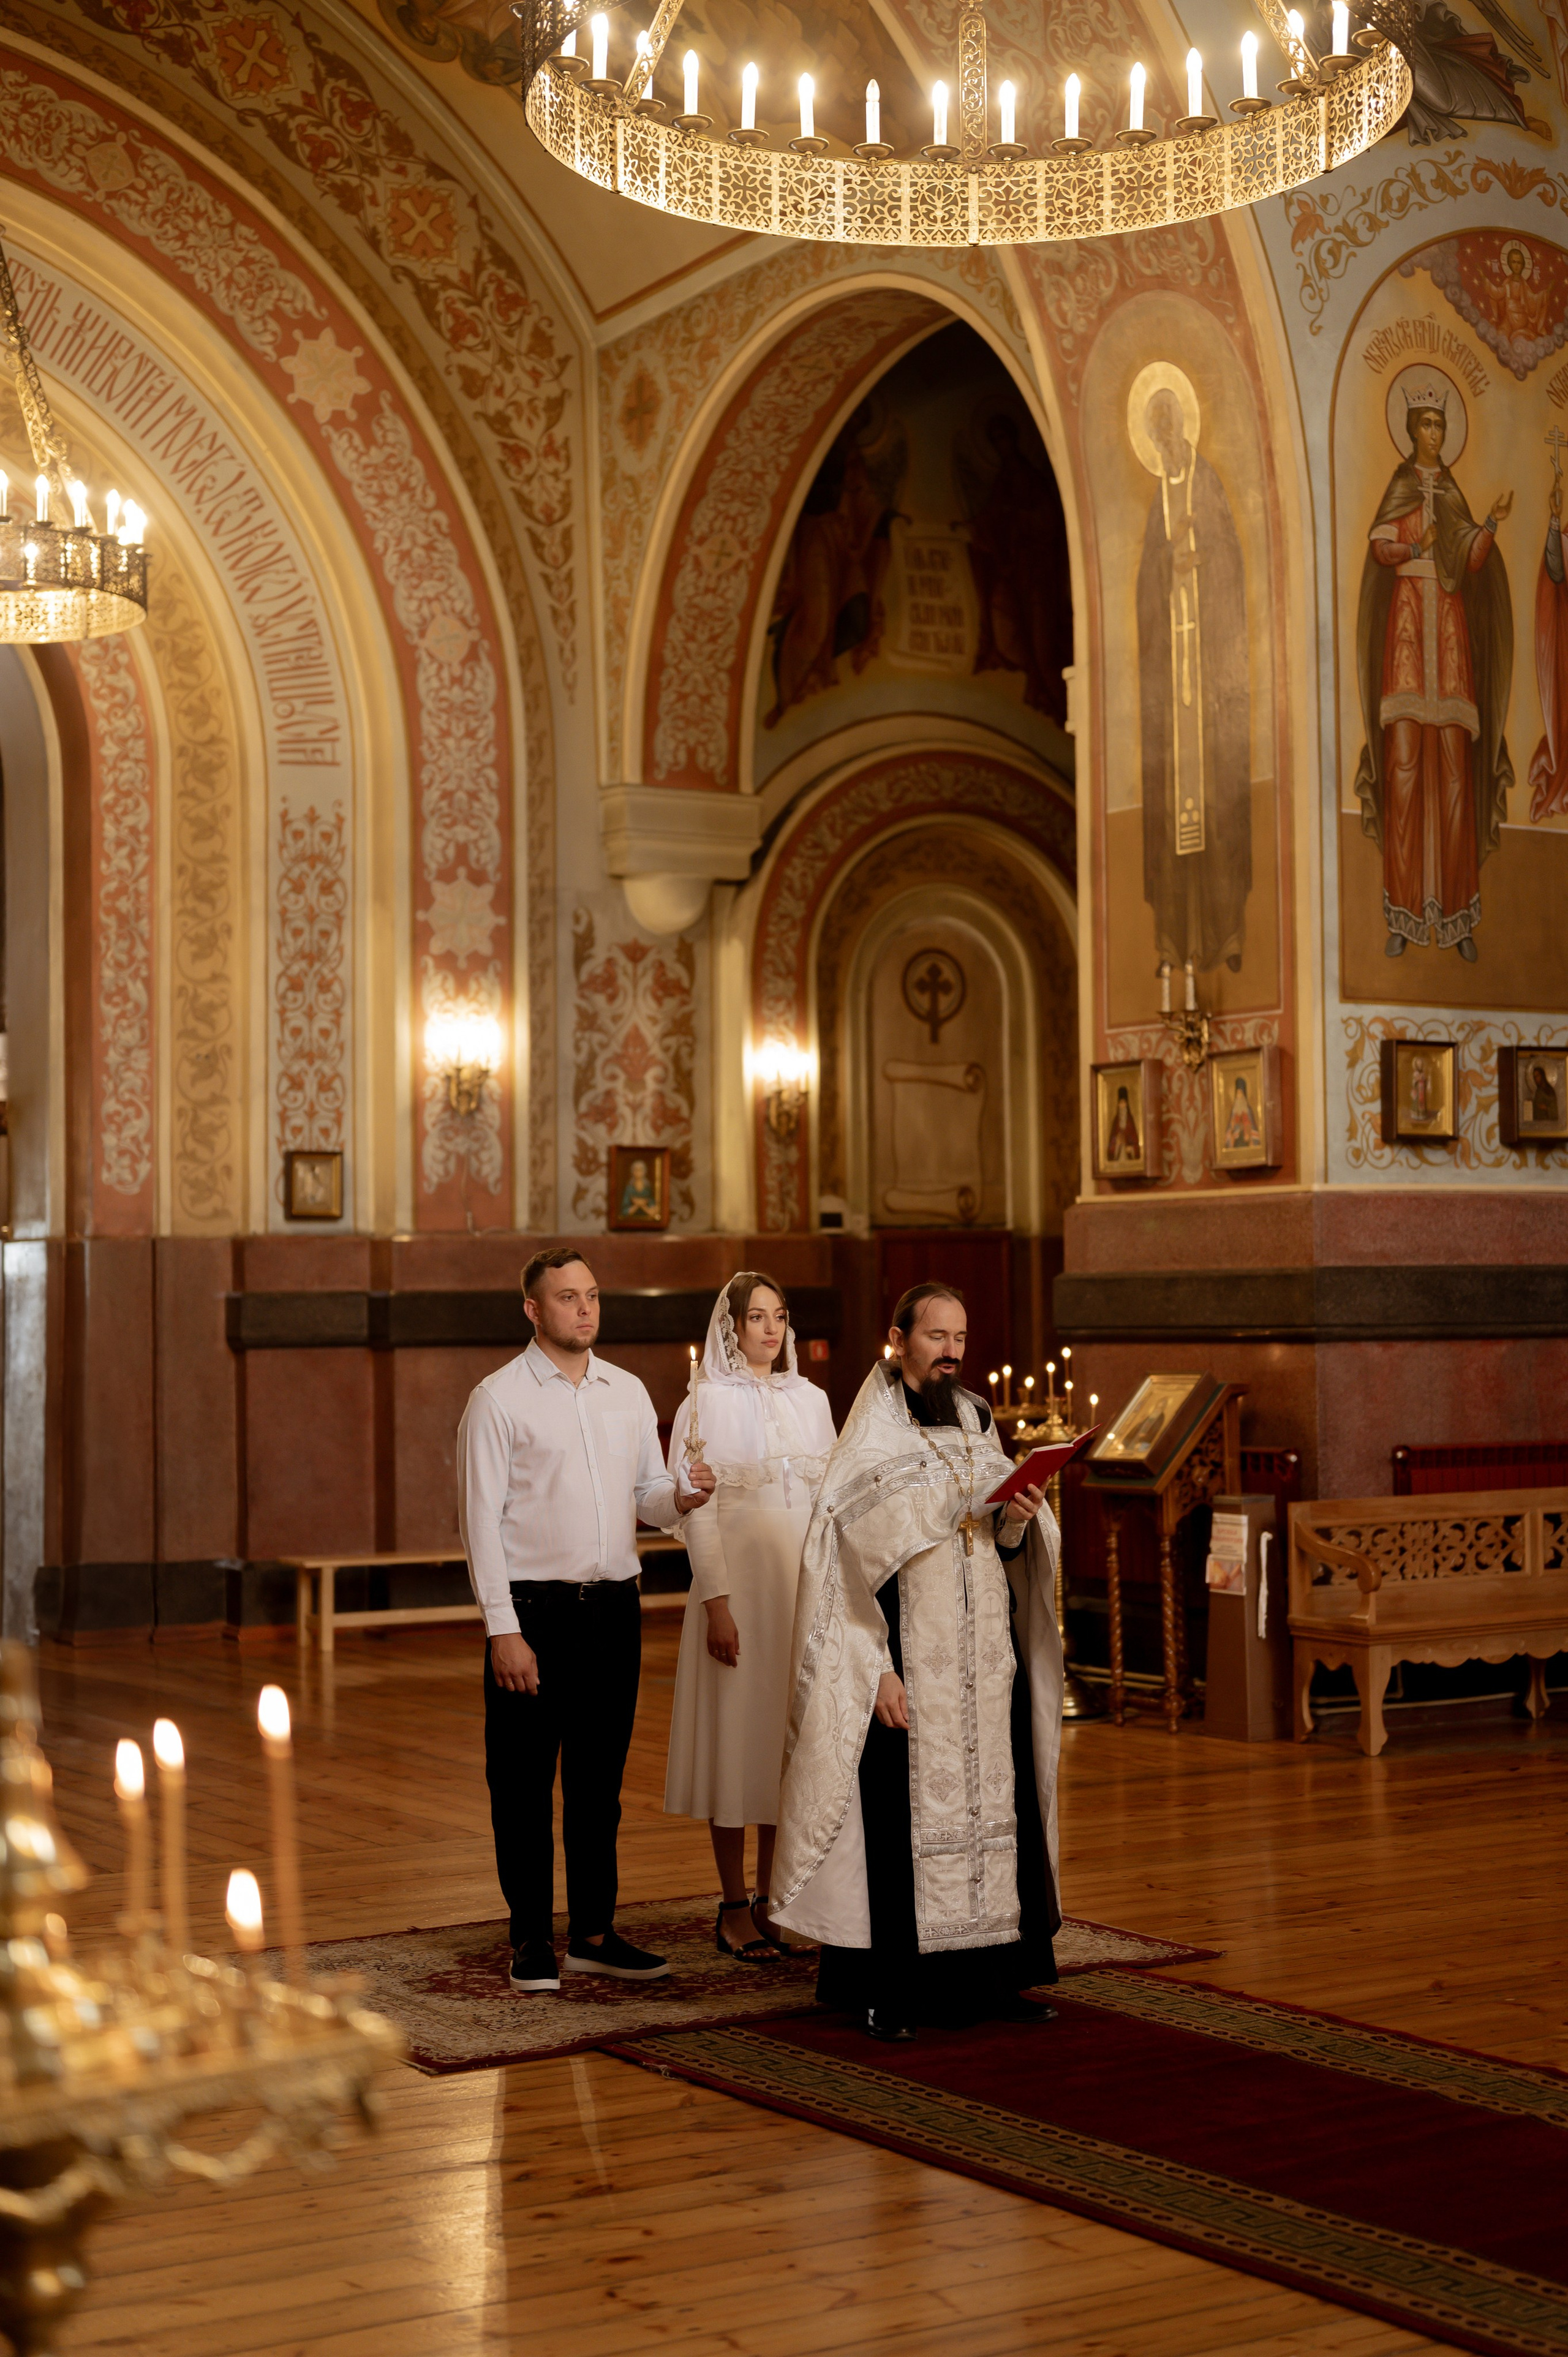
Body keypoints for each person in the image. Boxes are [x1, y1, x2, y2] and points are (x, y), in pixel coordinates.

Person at [772, 1283, 1064, 2042]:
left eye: (960, 1336)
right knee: (896, 1827)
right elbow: (841, 1569)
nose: (952, 1351)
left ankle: (995, 1977)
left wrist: (1017, 1519)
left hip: (983, 1663)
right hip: (907, 1663)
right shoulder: (869, 1436)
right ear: (898, 1339)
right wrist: (876, 1671)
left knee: (997, 1812)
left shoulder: (976, 1417)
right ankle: (889, 1990)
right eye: (936, 1336)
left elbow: (994, 1542)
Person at [458, 1248, 715, 1994]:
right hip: (533, 1612)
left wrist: (682, 1498)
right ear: (533, 1309)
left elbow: (649, 1495)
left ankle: (594, 1935)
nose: (584, 1308)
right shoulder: (497, 1398)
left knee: (599, 1783)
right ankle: (532, 1936)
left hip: (613, 1608)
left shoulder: (626, 1391)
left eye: (592, 1295)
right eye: (567, 1297)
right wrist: (503, 1628)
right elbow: (479, 1522)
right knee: (522, 1783)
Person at [663, 1273, 837, 1959]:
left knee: (782, 1748)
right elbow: (697, 1515)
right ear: (731, 1328)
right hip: (737, 1596)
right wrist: (717, 1604)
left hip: (798, 1595)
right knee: (735, 1745)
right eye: (756, 1317)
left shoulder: (813, 1399)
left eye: (779, 1316)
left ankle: (773, 1897)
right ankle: (733, 1903)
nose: (770, 1329)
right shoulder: (703, 1402)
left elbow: (830, 1503)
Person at [1354, 389, 1513, 962]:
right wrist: (1412, 546)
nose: (1435, 434)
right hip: (1405, 641)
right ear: (1411, 430)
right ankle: (1404, 910)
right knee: (1403, 772)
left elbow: (1472, 559)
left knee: (1453, 777)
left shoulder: (1449, 491)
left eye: (1440, 425)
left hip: (1448, 644)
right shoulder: (1401, 485)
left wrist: (1490, 522)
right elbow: (1380, 550)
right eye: (1426, 424)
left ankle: (1457, 914)